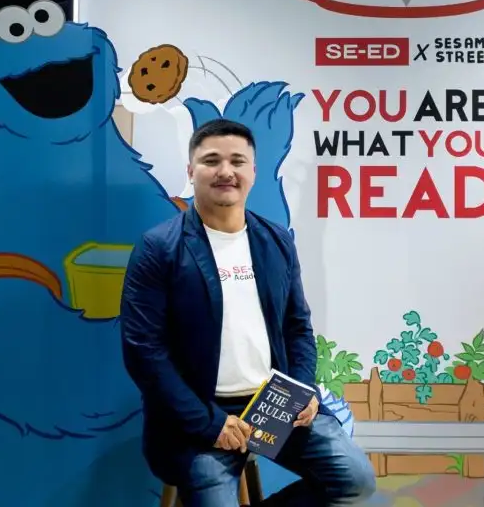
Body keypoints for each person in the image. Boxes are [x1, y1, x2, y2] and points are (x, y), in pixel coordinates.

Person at [120, 119, 376, 506]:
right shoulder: (159, 248)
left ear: (253, 172)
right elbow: (144, 351)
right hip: (201, 414)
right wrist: (209, 423)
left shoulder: (276, 241)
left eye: (237, 161)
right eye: (211, 161)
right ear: (190, 171)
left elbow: (298, 328)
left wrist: (303, 391)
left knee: (355, 481)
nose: (226, 171)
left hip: (273, 403)